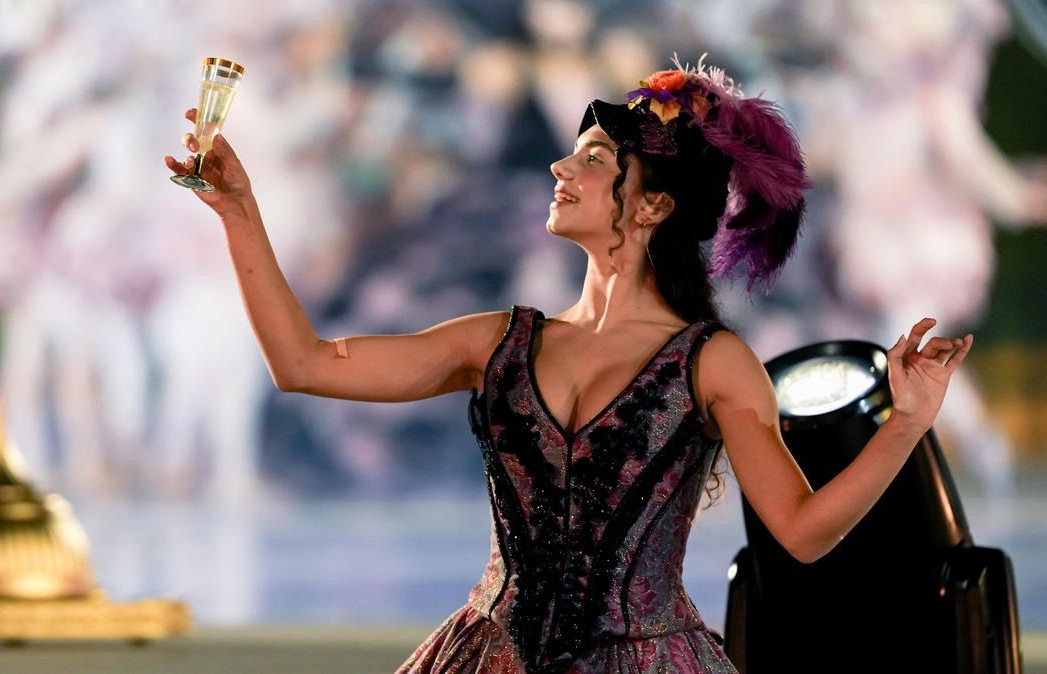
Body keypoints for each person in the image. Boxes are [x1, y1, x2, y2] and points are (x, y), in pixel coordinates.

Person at [164, 57, 972, 674]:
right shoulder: (498, 343)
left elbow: (801, 533)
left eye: (591, 159)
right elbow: (302, 363)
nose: (560, 169)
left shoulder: (713, 363)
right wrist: (240, 213)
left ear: (652, 205)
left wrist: (906, 423)